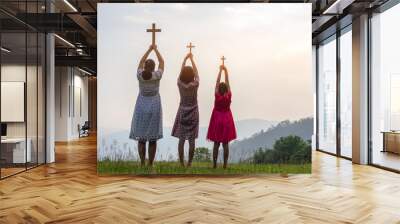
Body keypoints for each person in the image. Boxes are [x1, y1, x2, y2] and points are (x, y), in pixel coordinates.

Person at [129, 44, 164, 167]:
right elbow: (162, 62)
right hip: (154, 107)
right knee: (153, 138)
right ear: (154, 68)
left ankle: (142, 163)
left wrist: (149, 49)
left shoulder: (140, 76)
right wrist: (156, 50)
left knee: (142, 138)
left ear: (145, 67)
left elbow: (141, 62)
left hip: (141, 107)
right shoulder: (157, 76)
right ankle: (150, 164)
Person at [171, 52, 200, 167]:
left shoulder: (180, 84)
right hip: (193, 112)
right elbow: (197, 74)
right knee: (192, 140)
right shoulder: (195, 84)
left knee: (182, 139)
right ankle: (189, 163)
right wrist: (192, 60)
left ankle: (182, 163)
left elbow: (179, 75)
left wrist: (184, 60)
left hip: (183, 112)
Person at [206, 64, 236, 169]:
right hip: (227, 118)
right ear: (227, 89)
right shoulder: (229, 95)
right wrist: (226, 71)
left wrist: (220, 71)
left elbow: (217, 82)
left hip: (217, 118)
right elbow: (227, 82)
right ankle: (225, 165)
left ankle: (214, 164)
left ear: (219, 89)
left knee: (216, 143)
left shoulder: (217, 94)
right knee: (225, 143)